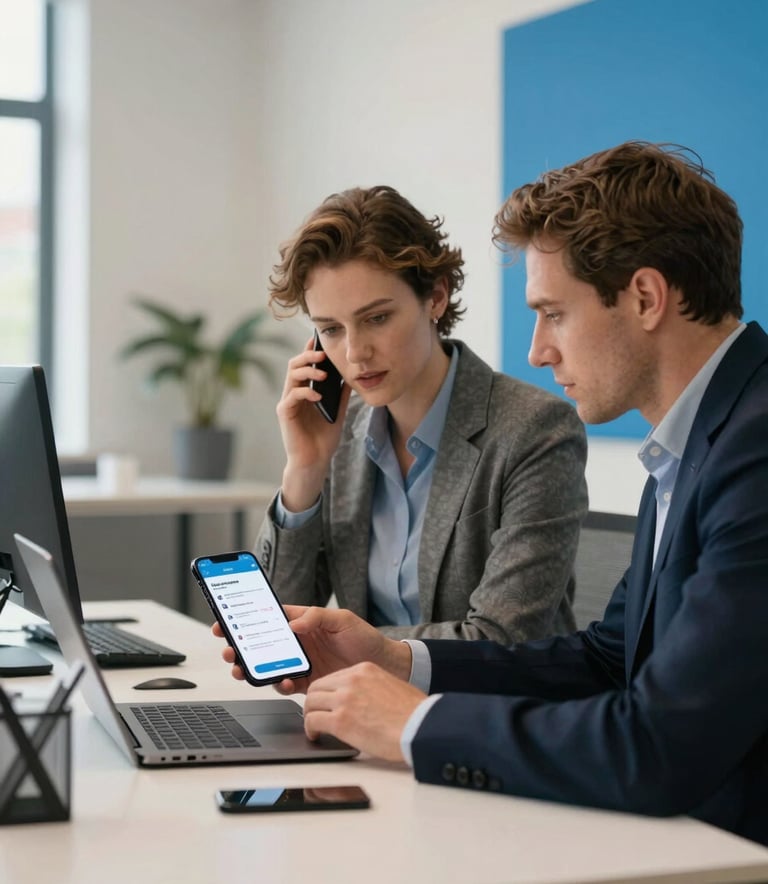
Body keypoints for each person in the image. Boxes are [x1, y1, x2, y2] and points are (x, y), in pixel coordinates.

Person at [216, 141, 768, 846]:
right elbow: (603, 657)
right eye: (330, 329)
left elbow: (658, 746)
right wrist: (390, 660)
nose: (538, 350)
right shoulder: (702, 441)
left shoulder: (752, 451)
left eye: (554, 313)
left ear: (646, 298)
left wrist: (411, 722)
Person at [255, 185, 587, 642]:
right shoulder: (338, 433)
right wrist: (304, 470)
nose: (355, 353)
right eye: (330, 329)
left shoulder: (534, 430)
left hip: (490, 708)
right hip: (362, 707)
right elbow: (269, 634)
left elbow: (503, 638)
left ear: (435, 297)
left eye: (376, 318)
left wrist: (347, 646)